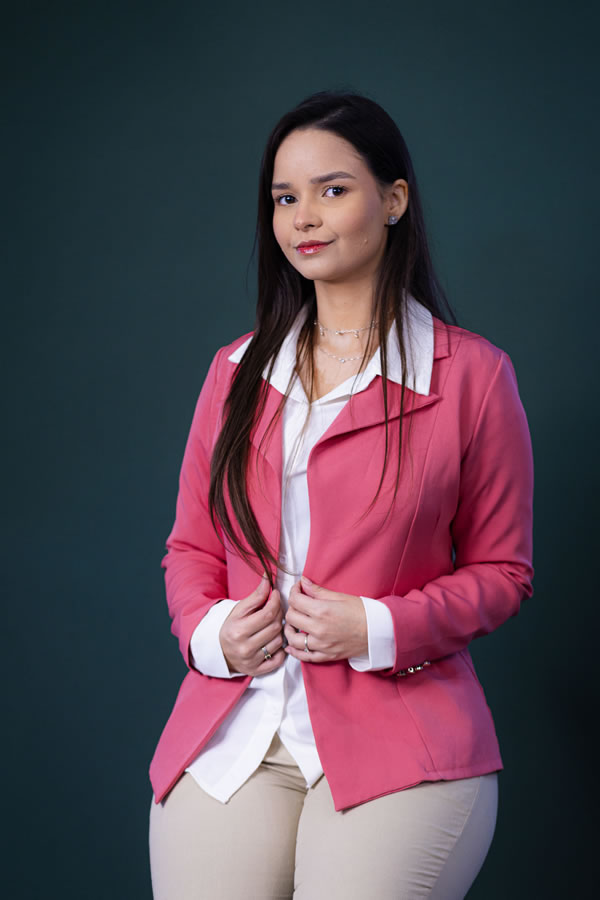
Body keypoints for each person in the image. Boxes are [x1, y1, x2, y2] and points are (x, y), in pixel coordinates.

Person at [148, 90, 534, 899]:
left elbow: (503, 572)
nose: (304, 218)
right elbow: (191, 546)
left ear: (394, 200)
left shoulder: (473, 376)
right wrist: (213, 636)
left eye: (332, 189)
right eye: (285, 198)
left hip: (403, 737)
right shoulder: (234, 373)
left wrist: (379, 626)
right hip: (235, 728)